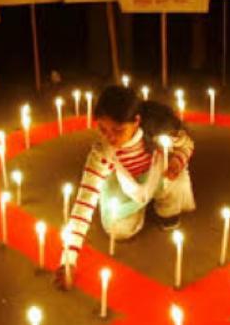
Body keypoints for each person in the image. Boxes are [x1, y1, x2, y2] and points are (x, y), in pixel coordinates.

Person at [55, 85, 194, 286]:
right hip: (125, 183)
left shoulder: (159, 133)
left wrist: (176, 161)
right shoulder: (102, 153)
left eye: (118, 130)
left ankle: (163, 207)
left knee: (175, 183)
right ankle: (140, 206)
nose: (110, 138)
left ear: (136, 122)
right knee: (118, 230)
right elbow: (83, 203)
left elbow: (187, 145)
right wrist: (68, 260)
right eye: (103, 129)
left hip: (158, 176)